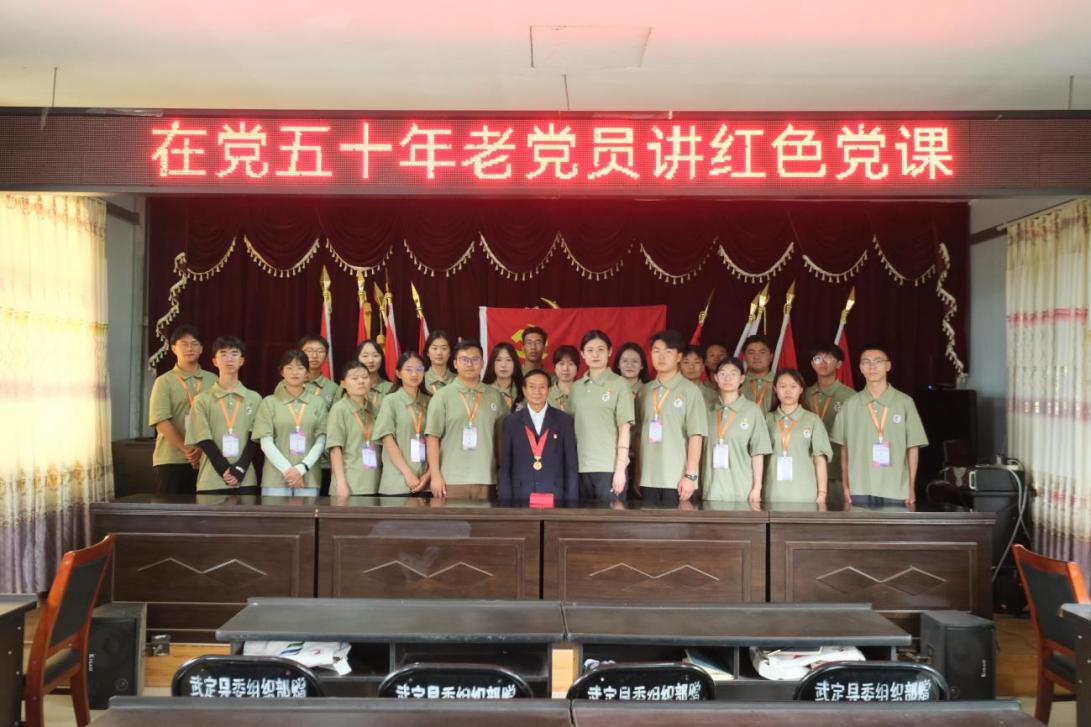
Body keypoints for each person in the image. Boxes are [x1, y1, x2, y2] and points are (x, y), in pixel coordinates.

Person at [831, 344, 929, 507]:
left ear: (888, 366)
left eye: (878, 361)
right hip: (859, 488)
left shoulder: (904, 402)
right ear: (860, 368)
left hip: (896, 489)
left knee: (895, 525)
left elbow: (913, 447)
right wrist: (846, 485)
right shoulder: (850, 404)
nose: (872, 366)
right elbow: (844, 449)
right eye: (866, 362)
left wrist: (911, 486)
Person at [425, 339, 507, 499]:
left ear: (482, 363)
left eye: (475, 359)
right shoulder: (442, 396)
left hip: (487, 478)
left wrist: (501, 473)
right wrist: (435, 476)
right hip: (450, 480)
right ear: (455, 363)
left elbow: (501, 439)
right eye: (464, 359)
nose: (470, 364)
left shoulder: (495, 396)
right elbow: (432, 438)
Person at [637, 330, 708, 505]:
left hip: (677, 479)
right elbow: (638, 434)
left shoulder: (690, 391)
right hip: (647, 478)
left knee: (676, 523)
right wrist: (638, 473)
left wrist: (690, 475)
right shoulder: (644, 391)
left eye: (668, 352)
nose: (661, 357)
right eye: (656, 351)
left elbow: (696, 435)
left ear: (679, 357)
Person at [185, 336, 262, 493]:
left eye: (234, 353)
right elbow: (203, 438)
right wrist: (224, 469)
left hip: (245, 479)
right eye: (223, 354)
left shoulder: (255, 398)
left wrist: (240, 469)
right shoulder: (202, 399)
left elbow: (255, 438)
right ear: (214, 361)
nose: (229, 358)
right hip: (211, 481)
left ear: (242, 361)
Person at [148, 324, 217, 495]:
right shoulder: (164, 381)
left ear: (201, 349)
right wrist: (187, 450)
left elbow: (218, 419)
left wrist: (202, 449)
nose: (189, 348)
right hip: (171, 459)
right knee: (171, 510)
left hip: (207, 459)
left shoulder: (214, 380)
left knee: (206, 510)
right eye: (184, 344)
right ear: (173, 348)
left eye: (194, 344)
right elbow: (161, 420)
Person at [569, 330, 634, 502]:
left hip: (609, 468)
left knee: (610, 518)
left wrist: (620, 469)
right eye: (590, 350)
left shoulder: (620, 384)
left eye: (600, 349)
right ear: (582, 354)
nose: (595, 354)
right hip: (580, 467)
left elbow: (624, 428)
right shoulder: (576, 387)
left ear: (610, 351)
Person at [252, 350, 328, 495]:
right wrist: (288, 470)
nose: (295, 372)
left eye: (300, 368)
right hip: (275, 478)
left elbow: (321, 441)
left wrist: (301, 468)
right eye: (289, 368)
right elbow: (266, 442)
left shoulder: (318, 403)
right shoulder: (269, 402)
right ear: (282, 372)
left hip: (308, 478)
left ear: (307, 373)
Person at [498, 369, 578, 503]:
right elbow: (505, 466)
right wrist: (505, 502)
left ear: (549, 390)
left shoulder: (564, 420)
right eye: (532, 387)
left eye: (542, 387)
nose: (537, 391)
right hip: (520, 495)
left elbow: (571, 466)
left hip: (555, 494)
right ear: (524, 390)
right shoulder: (511, 422)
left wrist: (572, 503)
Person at [700, 357, 771, 502]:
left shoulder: (752, 410)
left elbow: (758, 452)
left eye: (733, 374)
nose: (727, 378)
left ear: (742, 378)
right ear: (716, 378)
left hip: (742, 491)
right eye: (723, 373)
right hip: (710, 490)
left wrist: (757, 488)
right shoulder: (706, 409)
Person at [276, 334, 340, 495]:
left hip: (322, 460)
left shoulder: (333, 388)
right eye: (309, 351)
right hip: (289, 459)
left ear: (326, 355)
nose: (314, 355)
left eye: (320, 351)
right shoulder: (283, 385)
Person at [763, 369, 832, 504]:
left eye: (793, 386)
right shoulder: (767, 419)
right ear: (775, 389)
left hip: (805, 492)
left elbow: (819, 459)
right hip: (773, 491)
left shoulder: (812, 420)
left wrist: (822, 493)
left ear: (801, 389)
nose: (788, 391)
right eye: (782, 386)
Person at [804, 344, 856, 508]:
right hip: (807, 471)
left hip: (837, 473)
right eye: (817, 358)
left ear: (839, 364)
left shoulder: (850, 396)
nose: (822, 362)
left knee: (838, 517)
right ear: (812, 364)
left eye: (829, 358)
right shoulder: (804, 394)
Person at [373, 351, 432, 495]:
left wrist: (429, 475)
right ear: (398, 373)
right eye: (409, 369)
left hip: (426, 482)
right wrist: (407, 473)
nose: (414, 374)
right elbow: (387, 439)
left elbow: (437, 441)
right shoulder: (391, 400)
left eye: (419, 369)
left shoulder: (430, 401)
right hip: (397, 482)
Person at [326, 360, 382, 496]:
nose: (361, 381)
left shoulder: (373, 408)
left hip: (374, 483)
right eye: (354, 378)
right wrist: (341, 483)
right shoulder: (339, 409)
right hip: (350, 484)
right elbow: (335, 449)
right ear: (343, 384)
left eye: (365, 377)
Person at [483, 342, 524, 412]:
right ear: (492, 364)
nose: (503, 365)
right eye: (499, 360)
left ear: (515, 364)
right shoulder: (483, 391)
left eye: (508, 360)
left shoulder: (524, 390)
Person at [741, 334, 776, 409]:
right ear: (744, 357)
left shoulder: (781, 383)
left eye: (762, 352)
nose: (756, 357)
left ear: (771, 356)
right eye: (751, 352)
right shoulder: (736, 383)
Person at [548, 345, 579, 412]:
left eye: (571, 364)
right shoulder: (547, 394)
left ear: (577, 368)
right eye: (561, 364)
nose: (565, 369)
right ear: (555, 368)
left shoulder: (585, 392)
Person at [423, 330, 455, 395]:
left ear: (450, 353)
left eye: (444, 348)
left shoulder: (458, 379)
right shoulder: (421, 379)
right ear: (427, 352)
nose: (439, 352)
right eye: (435, 348)